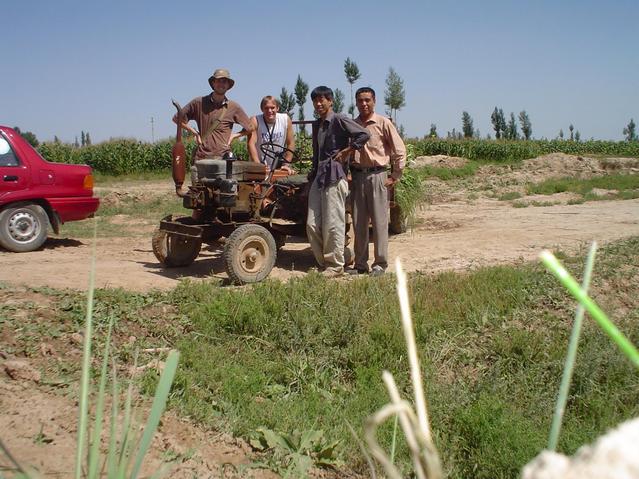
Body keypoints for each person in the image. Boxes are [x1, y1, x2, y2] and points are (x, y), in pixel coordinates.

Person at [306, 86, 370, 278]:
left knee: (333, 223)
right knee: (312, 224)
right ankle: (324, 262)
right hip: (320, 176)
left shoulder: (339, 119)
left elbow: (364, 134)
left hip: (334, 175)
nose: (318, 104)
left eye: (322, 100)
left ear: (330, 101)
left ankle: (335, 266)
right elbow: (317, 154)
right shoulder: (318, 124)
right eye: (315, 100)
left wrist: (347, 151)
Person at [349, 86, 406, 277]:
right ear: (356, 103)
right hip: (357, 177)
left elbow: (399, 150)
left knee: (380, 222)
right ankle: (360, 264)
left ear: (374, 101)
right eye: (360, 100)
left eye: (367, 100)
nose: (364, 104)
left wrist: (395, 175)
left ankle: (380, 263)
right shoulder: (353, 124)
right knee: (359, 222)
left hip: (377, 176)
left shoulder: (383, 123)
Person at [173, 68, 254, 161]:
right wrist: (195, 133)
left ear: (228, 85)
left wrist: (234, 136)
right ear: (213, 83)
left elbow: (250, 127)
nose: (221, 84)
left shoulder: (234, 107)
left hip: (224, 159)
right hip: (202, 158)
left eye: (224, 81)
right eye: (218, 81)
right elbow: (176, 119)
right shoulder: (199, 102)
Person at [246, 96, 295, 171]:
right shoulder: (255, 120)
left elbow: (290, 143)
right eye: (266, 108)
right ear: (262, 109)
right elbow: (251, 144)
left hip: (278, 166)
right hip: (259, 164)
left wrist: (286, 164)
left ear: (277, 108)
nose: (269, 111)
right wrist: (259, 166)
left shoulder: (285, 119)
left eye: (272, 108)